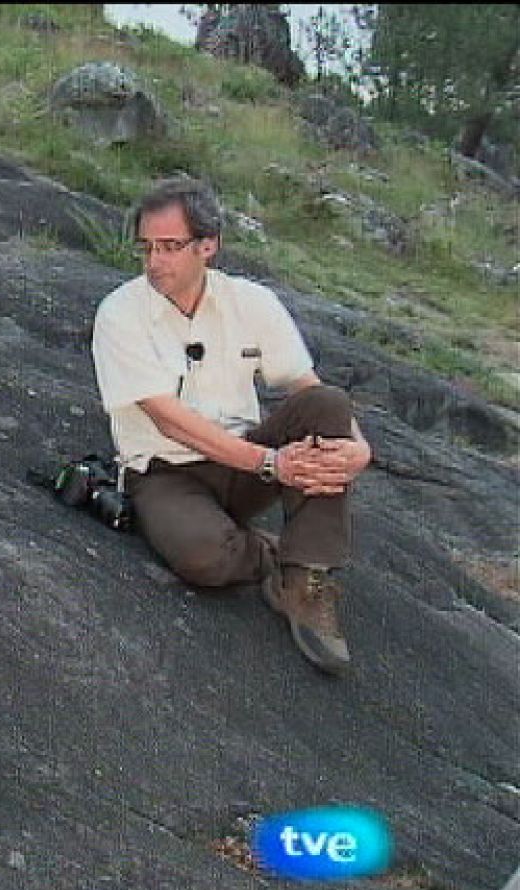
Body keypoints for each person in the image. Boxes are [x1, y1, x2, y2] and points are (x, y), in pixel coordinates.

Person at [90, 177, 372, 675]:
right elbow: (167, 420)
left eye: (171, 246)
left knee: (326, 405)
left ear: (208, 245)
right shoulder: (120, 313)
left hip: (245, 463)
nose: (154, 261)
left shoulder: (252, 302)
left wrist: (359, 448)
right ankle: (270, 556)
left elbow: (304, 385)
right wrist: (271, 463)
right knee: (205, 560)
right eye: (147, 247)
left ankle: (305, 580)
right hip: (165, 472)